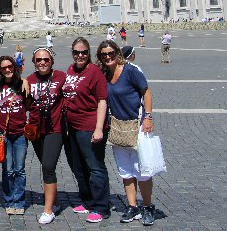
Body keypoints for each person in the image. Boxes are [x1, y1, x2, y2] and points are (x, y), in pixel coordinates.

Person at [96, 41, 156, 225]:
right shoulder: (104, 74)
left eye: (111, 53)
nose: (108, 57)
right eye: (104, 54)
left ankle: (147, 206)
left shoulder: (130, 70)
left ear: (117, 53)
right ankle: (132, 206)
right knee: (125, 170)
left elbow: (146, 92)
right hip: (117, 126)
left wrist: (148, 117)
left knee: (142, 169)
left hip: (136, 125)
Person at [63, 37, 110, 223]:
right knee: (78, 166)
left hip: (89, 126)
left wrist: (99, 128)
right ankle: (88, 200)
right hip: (72, 127)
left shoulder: (95, 72)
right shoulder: (71, 69)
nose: (80, 55)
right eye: (76, 52)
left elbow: (102, 100)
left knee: (95, 167)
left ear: (89, 53)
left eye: (83, 52)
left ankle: (101, 207)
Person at [26, 48, 66, 224]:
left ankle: (48, 210)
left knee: (48, 166)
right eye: (39, 60)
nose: (42, 62)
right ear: (34, 62)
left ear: (52, 61)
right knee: (46, 165)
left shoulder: (61, 77)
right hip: (36, 130)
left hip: (54, 129)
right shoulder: (29, 80)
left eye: (46, 60)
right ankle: (54, 201)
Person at [0, 55, 30, 215]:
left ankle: (19, 201)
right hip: (3, 134)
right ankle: (9, 200)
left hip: (20, 133)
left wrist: (26, 80)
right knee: (7, 169)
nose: (7, 70)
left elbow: (29, 105)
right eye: (3, 68)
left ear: (14, 68)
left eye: (10, 67)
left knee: (20, 169)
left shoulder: (22, 85)